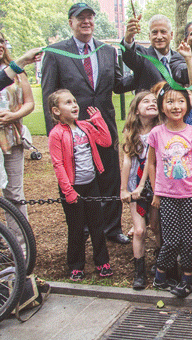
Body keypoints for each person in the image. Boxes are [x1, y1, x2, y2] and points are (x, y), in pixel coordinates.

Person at [41, 2, 130, 244]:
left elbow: (119, 84)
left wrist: (145, 70)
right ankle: (81, 231)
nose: (86, 21)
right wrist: (56, 138)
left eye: (90, 17)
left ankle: (112, 229)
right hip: (73, 132)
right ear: (70, 22)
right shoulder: (55, 52)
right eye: (80, 17)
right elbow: (49, 95)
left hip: (103, 128)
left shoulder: (107, 51)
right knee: (77, 180)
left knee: (110, 179)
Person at [47, 90, 113, 280]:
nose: (74, 105)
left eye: (75, 101)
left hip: (91, 184)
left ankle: (102, 262)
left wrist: (98, 120)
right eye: (68, 103)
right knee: (76, 228)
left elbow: (106, 141)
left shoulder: (85, 126)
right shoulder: (56, 134)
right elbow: (58, 164)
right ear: (56, 110)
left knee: (97, 225)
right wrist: (68, 190)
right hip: (72, 188)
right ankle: (76, 265)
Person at [147, 83, 192, 298]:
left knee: (189, 240)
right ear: (162, 106)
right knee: (170, 240)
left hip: (190, 194)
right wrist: (156, 191)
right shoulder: (156, 133)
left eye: (180, 101)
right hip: (167, 195)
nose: (175, 106)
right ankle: (160, 277)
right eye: (170, 101)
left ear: (187, 105)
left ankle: (187, 278)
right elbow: (151, 164)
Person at [119, 91, 160, 289]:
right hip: (136, 185)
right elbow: (127, 160)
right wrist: (123, 188)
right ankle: (139, 271)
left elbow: (152, 162)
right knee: (139, 230)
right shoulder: (131, 132)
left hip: (155, 183)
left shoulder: (160, 130)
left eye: (154, 101)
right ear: (136, 109)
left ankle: (161, 264)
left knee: (156, 226)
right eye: (146, 101)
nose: (152, 103)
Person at [0, 32, 36, 243]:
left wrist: (14, 115)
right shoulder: (13, 69)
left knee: (14, 192)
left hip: (12, 137)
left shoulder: (17, 71)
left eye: (2, 41)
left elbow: (29, 102)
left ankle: (20, 245)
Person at [121, 14, 187, 93]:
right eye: (155, 32)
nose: (159, 37)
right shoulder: (143, 57)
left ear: (171, 35)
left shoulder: (180, 58)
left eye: (163, 32)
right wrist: (128, 38)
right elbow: (130, 57)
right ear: (149, 36)